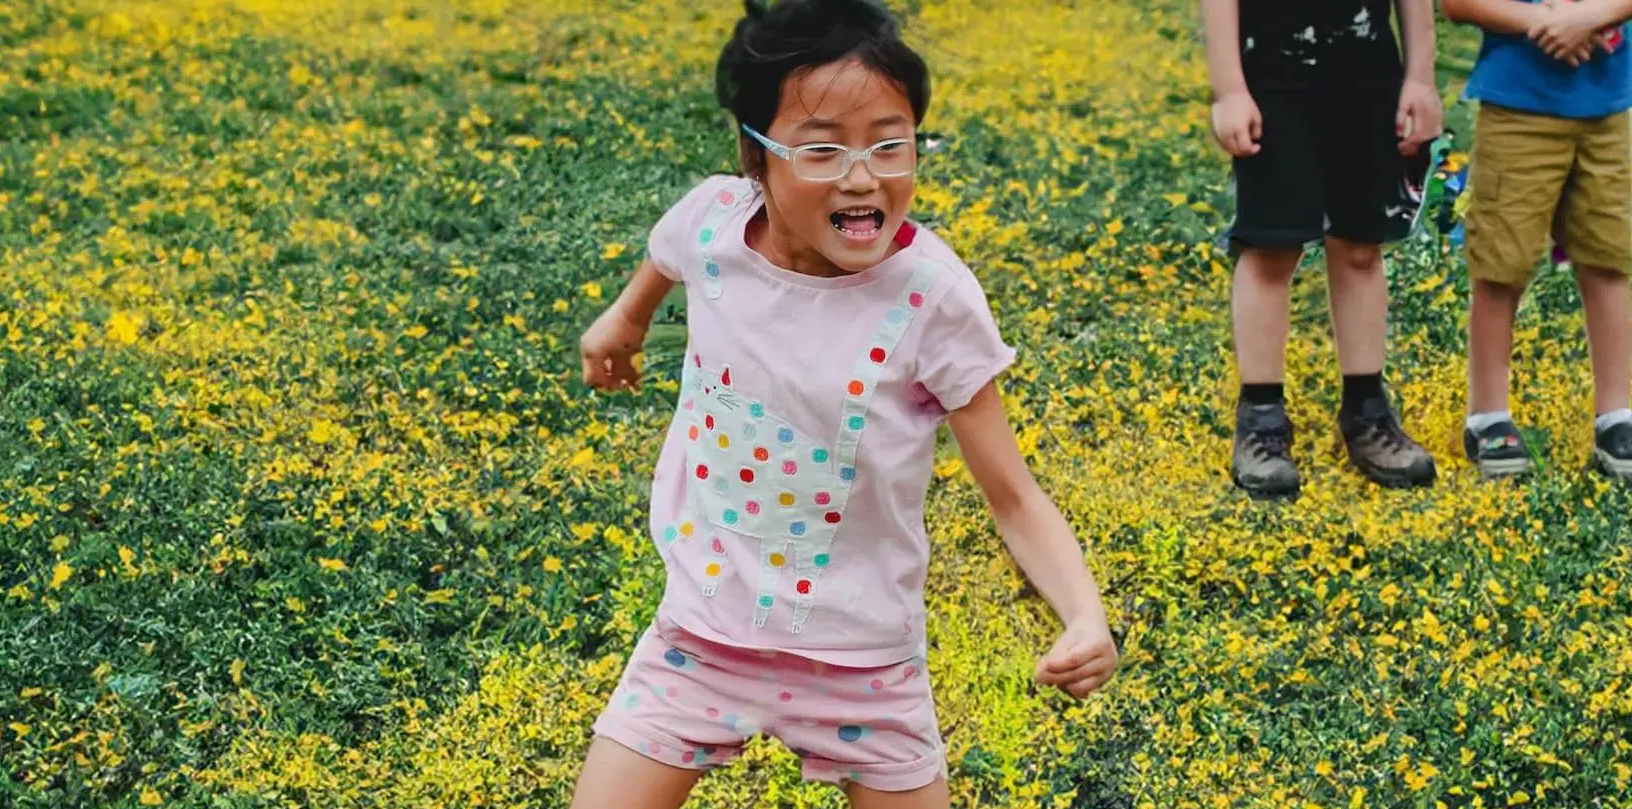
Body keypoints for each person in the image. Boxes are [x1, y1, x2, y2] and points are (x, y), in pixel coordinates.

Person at [569, 2, 1118, 805]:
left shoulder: (932, 298)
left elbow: (1013, 493)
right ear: (756, 158)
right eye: (823, 148)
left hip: (864, 660)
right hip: (701, 635)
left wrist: (1084, 615)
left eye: (890, 143)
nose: (863, 176)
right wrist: (624, 319)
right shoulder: (716, 223)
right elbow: (668, 254)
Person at [1202, 0, 1447, 498]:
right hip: (1271, 76)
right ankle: (1261, 420)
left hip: (1367, 74)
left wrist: (1420, 79)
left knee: (1360, 245)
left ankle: (1367, 412)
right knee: (1271, 247)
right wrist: (1229, 89)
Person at [1443, 0, 1632, 481]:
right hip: (1517, 109)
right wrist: (1542, 23)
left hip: (1605, 112)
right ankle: (1489, 418)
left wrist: (1590, 18)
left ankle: (1616, 418)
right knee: (1501, 265)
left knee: (1607, 258)